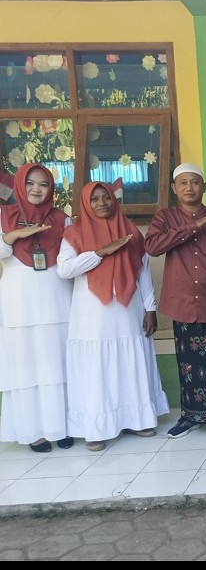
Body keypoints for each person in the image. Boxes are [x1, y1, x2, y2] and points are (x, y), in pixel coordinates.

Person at [57, 181, 170, 451]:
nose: (101, 203)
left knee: (130, 363)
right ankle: (95, 428)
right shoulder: (74, 233)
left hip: (129, 310)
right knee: (97, 367)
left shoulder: (130, 231)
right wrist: (99, 252)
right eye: (94, 199)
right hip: (93, 315)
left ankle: (137, 419)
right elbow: (64, 269)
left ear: (114, 199)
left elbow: (143, 272)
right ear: (86, 203)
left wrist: (150, 308)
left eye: (106, 197)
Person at [144, 163, 206, 438]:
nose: (190, 188)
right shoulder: (165, 218)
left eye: (195, 182)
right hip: (183, 303)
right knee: (188, 363)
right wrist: (192, 226)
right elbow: (152, 247)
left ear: (204, 187)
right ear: (174, 188)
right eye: (183, 183)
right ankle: (189, 416)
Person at [0, 163, 74, 453]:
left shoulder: (62, 219)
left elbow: (71, 256)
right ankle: (34, 432)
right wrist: (14, 236)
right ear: (19, 185)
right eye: (30, 183)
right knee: (27, 367)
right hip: (20, 303)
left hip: (57, 300)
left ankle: (62, 427)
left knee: (59, 365)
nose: (36, 189)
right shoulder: (4, 216)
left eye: (43, 184)